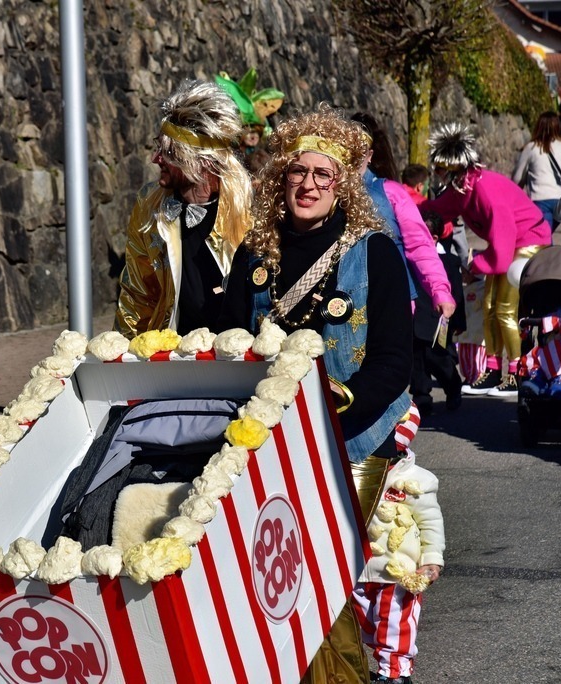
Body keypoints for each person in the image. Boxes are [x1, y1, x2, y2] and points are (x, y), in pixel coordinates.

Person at [219, 106, 412, 683]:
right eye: (298, 173)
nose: (308, 185)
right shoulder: (256, 252)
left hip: (351, 435)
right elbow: (227, 340)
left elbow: (394, 362)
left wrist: (338, 408)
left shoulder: (373, 251)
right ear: (282, 178)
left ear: (342, 185)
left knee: (336, 569)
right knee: (275, 570)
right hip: (269, 436)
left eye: (322, 176)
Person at [419, 123, 551, 397]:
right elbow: (435, 209)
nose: (437, 176)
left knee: (504, 308)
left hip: (529, 240)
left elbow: (501, 258)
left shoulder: (486, 192)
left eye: (442, 171)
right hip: (508, 245)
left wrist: (475, 265)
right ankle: (492, 370)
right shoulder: (463, 190)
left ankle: (515, 373)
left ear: (456, 170)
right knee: (489, 305)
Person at [114, 79, 252, 337]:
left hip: (236, 356)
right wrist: (122, 358)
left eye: (168, 153)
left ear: (201, 162)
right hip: (171, 357)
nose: (155, 159)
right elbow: (137, 293)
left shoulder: (248, 208)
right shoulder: (150, 205)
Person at [352, 406, 446, 684]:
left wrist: (431, 558)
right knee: (365, 622)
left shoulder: (415, 479)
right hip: (356, 566)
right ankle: (384, 658)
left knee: (394, 622)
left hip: (398, 571)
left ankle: (394, 672)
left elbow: (431, 522)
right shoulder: (352, 468)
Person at [352, 113, 457, 321]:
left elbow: (419, 244)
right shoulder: (325, 193)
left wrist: (439, 289)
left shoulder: (391, 193)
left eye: (359, 150)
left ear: (370, 155)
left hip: (392, 300)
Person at [409, 215, 465, 415]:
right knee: (416, 361)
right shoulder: (408, 259)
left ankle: (453, 387)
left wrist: (458, 321)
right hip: (415, 318)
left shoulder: (448, 261)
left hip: (438, 318)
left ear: (434, 237)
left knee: (439, 359)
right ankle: (421, 396)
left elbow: (457, 293)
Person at [512, 111, 561, 232]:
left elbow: (517, 178)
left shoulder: (532, 147)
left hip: (540, 199)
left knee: (543, 237)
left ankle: (548, 250)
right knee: (547, 233)